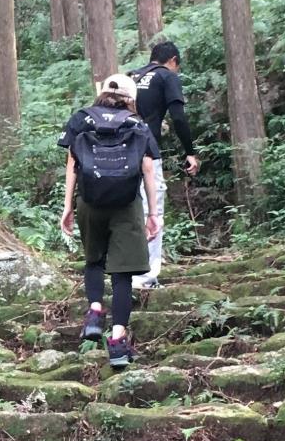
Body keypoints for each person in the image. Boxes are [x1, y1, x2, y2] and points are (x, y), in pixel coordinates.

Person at [58, 76, 162, 369]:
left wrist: (67, 205)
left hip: (90, 201)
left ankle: (94, 311)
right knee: (122, 275)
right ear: (131, 98)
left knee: (94, 260)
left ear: (101, 93)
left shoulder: (81, 119)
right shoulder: (137, 125)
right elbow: (148, 168)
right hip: (126, 205)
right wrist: (153, 214)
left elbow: (72, 163)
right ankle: (117, 342)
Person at [127, 39, 199, 291]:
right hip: (146, 151)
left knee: (129, 211)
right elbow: (178, 116)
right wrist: (190, 152)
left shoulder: (131, 77)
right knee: (152, 211)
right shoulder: (167, 76)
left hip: (117, 153)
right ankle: (145, 277)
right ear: (173, 61)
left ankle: (124, 272)